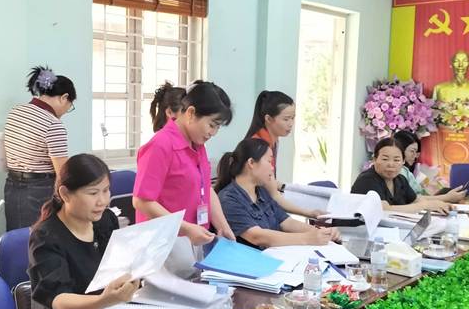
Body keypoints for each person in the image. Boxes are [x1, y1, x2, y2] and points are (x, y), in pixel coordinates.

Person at [28, 154, 139, 309]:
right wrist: (104, 300)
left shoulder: (106, 219)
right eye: (93, 193)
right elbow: (60, 302)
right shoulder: (45, 237)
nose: (102, 201)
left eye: (106, 190)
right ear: (65, 194)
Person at [133, 80, 236, 247]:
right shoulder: (160, 145)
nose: (213, 133)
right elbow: (142, 201)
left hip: (193, 239)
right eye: (212, 125)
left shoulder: (197, 145)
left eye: (218, 127)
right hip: (162, 244)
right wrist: (186, 228)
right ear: (191, 113)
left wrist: (222, 226)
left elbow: (205, 187)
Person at [216, 139, 339, 249]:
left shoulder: (261, 191)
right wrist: (307, 238)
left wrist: (320, 232)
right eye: (269, 161)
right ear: (251, 163)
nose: (272, 168)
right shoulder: (228, 199)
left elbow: (286, 222)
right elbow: (257, 236)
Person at [3, 66, 76, 231]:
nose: (66, 111)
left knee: (16, 237)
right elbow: (62, 173)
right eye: (70, 106)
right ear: (64, 97)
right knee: (39, 238)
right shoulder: (53, 124)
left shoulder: (16, 112)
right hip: (39, 190)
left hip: (12, 186)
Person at [245, 90, 324, 219]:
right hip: (255, 210)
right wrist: (309, 213)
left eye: (293, 118)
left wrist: (284, 186)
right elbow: (274, 195)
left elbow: (270, 182)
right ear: (268, 119)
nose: (291, 123)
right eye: (286, 119)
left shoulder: (274, 141)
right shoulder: (260, 146)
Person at [351, 138, 458, 214]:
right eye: (385, 159)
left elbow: (416, 200)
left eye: (396, 160)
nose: (391, 164)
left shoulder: (400, 179)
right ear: (374, 160)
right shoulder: (367, 179)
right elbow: (384, 209)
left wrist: (438, 204)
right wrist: (424, 206)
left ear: (403, 161)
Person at [393, 130, 466, 202]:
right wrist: (446, 197)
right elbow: (412, 199)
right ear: (400, 150)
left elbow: (415, 196)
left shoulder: (406, 171)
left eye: (416, 152)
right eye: (412, 151)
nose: (415, 156)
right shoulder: (400, 171)